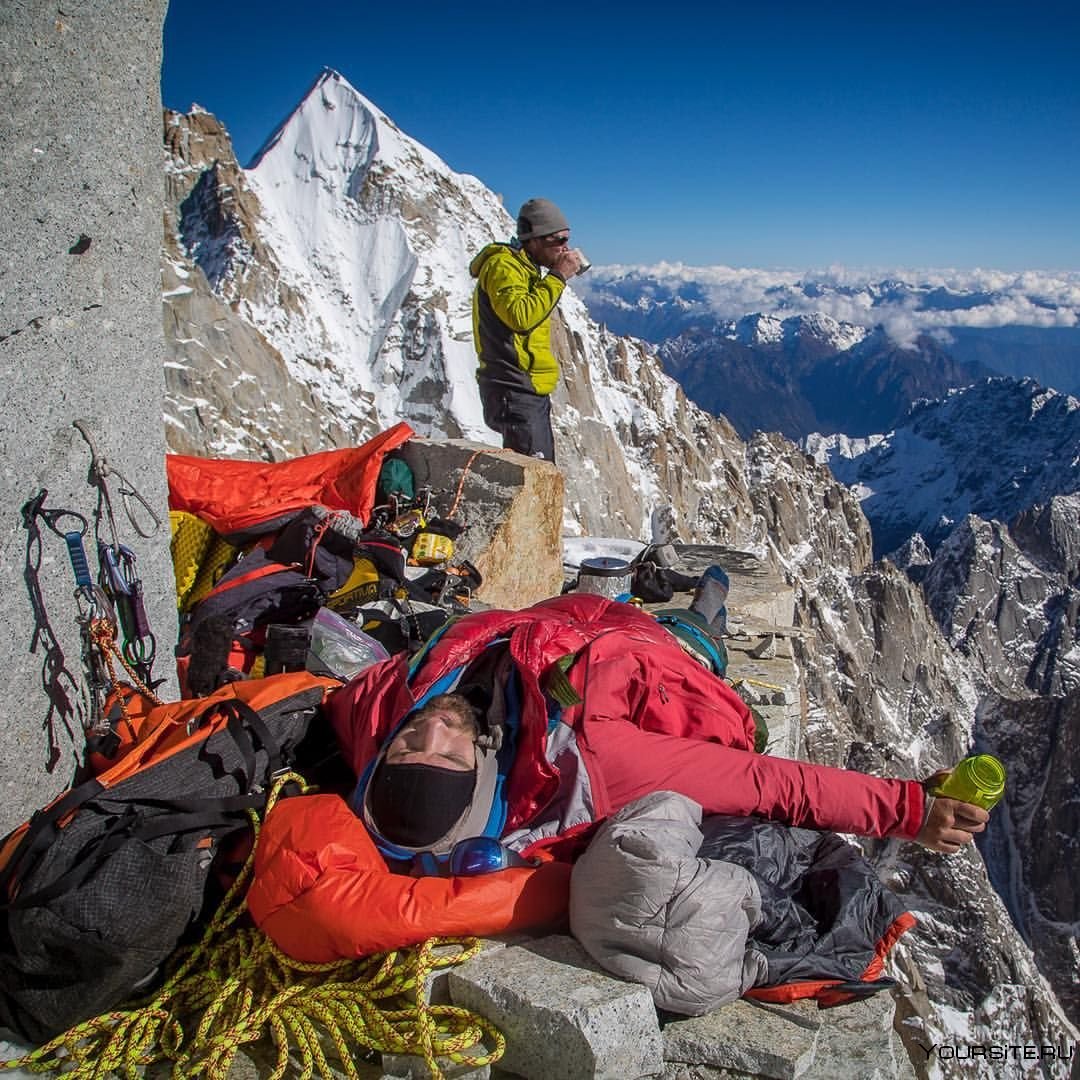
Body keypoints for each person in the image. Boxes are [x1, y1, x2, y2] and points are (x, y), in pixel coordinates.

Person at [469, 198, 585, 463]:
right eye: (558, 240)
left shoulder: (525, 269)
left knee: (540, 471)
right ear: (534, 239)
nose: (564, 247)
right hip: (513, 387)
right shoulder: (503, 267)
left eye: (567, 239)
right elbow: (520, 317)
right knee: (535, 473)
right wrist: (557, 277)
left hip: (526, 388)